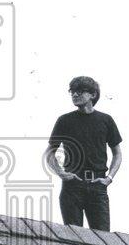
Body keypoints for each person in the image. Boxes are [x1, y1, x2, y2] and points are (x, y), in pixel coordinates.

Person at [45, 76, 123, 231]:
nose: (75, 95)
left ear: (93, 95)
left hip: (98, 187)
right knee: (73, 237)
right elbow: (49, 153)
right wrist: (62, 173)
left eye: (80, 91)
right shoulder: (64, 120)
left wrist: (109, 178)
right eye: (72, 92)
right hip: (72, 186)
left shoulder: (106, 120)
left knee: (103, 240)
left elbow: (117, 154)